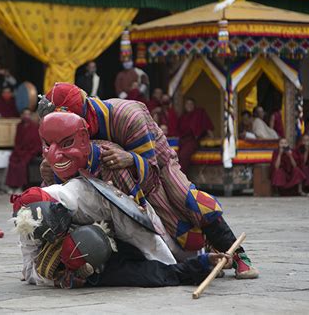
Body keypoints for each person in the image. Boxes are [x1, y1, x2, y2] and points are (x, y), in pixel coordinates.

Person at [37, 86, 259, 279]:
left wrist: (130, 159)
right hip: (107, 176)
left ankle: (239, 255)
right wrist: (52, 171)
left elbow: (151, 170)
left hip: (156, 165)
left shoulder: (128, 116)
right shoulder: (60, 131)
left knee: (185, 199)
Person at [11, 177, 233, 288]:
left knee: (165, 258)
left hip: (123, 230)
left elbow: (136, 232)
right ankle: (199, 265)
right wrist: (59, 278)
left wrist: (170, 264)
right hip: (87, 261)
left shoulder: (83, 195)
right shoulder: (27, 224)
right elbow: (29, 268)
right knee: (141, 275)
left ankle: (200, 259)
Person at [5, 109, 42, 191]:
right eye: (25, 114)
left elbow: (36, 143)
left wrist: (28, 151)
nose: (26, 116)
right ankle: (12, 186)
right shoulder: (19, 126)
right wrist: (18, 151)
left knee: (22, 164)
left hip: (31, 151)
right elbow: (17, 141)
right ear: (21, 116)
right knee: (12, 161)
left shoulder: (34, 127)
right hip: (20, 150)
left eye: (28, 114)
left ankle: (22, 186)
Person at [177, 98, 214, 174]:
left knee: (184, 155)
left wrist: (212, 137)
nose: (189, 106)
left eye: (191, 104)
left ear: (194, 106)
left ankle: (181, 176)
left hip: (193, 140)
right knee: (178, 156)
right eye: (187, 104)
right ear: (184, 106)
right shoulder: (182, 117)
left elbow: (207, 125)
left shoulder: (199, 113)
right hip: (183, 141)